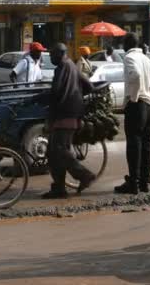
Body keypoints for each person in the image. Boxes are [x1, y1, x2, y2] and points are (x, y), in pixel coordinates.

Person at [42, 43, 96, 199]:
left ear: (60, 54)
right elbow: (89, 86)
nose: (51, 58)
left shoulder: (62, 68)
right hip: (72, 113)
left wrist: (37, 99)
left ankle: (84, 175)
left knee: (60, 150)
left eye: (52, 55)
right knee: (53, 153)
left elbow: (56, 92)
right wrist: (77, 96)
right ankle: (59, 188)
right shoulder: (72, 65)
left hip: (64, 115)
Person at [114, 33, 150, 194]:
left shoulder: (129, 57)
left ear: (127, 44)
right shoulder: (147, 59)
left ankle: (133, 183)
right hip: (149, 105)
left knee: (134, 144)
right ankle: (144, 181)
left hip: (137, 105)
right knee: (146, 144)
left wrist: (134, 97)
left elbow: (136, 75)